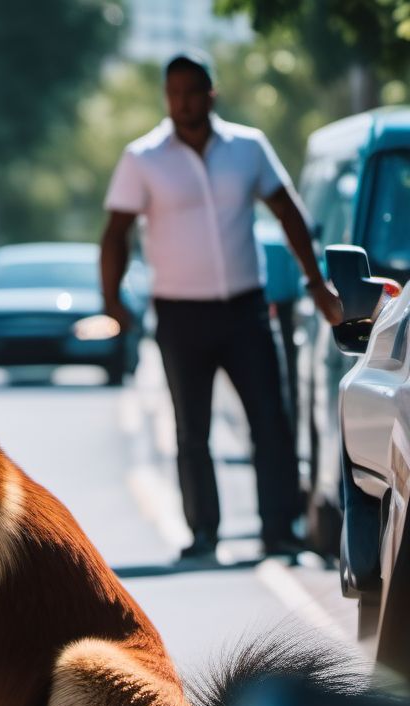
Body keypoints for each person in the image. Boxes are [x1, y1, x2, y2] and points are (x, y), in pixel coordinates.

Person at [100, 51, 343, 560]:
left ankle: (278, 529)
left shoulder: (248, 148)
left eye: (193, 91)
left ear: (212, 93)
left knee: (270, 421)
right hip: (180, 313)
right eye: (174, 93)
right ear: (166, 97)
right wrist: (111, 299)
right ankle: (203, 532)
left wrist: (316, 282)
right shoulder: (143, 158)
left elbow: (287, 211)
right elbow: (115, 234)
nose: (183, 102)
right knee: (192, 429)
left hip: (246, 309)